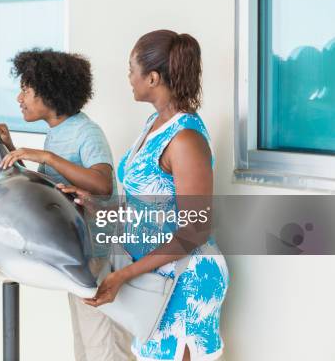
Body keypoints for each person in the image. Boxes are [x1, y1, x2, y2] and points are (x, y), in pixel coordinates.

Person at [60, 30, 229, 361]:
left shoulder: (185, 140)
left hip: (186, 283)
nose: (128, 77)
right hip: (152, 278)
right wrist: (96, 206)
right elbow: (149, 203)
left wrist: (123, 276)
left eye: (130, 69)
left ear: (152, 77)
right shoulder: (155, 123)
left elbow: (195, 229)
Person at [0, 49, 133, 361]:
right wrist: (11, 149)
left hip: (97, 260)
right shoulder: (57, 134)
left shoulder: (85, 131)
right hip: (76, 257)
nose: (19, 98)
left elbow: (102, 182)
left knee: (105, 349)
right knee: (86, 348)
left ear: (50, 91)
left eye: (26, 89)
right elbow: (51, 190)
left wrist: (46, 157)